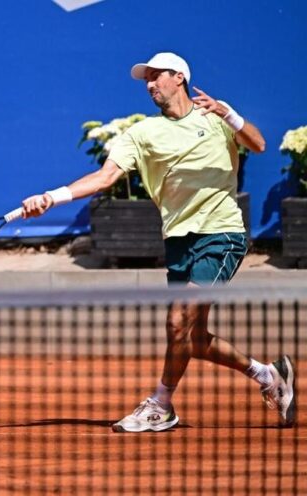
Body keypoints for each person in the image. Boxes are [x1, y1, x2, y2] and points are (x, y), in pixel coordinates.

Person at [21, 52, 296, 432]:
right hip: (179, 238)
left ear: (178, 77)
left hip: (221, 233)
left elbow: (259, 144)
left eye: (156, 76)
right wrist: (53, 196)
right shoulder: (141, 134)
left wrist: (227, 114)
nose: (149, 84)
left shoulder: (214, 117)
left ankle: (160, 404)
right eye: (146, 79)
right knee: (192, 338)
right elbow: (104, 178)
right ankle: (269, 376)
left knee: (177, 320)